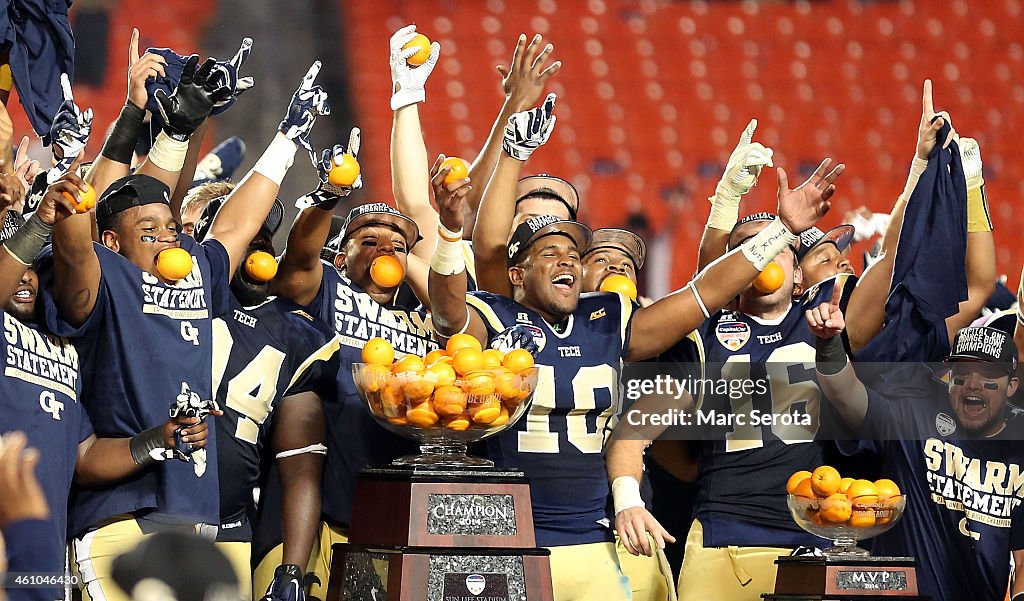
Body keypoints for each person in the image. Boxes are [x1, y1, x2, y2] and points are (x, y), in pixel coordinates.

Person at [428, 132, 842, 600]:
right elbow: (448, 313)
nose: (566, 259)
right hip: (505, 539)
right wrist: (447, 231)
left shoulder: (609, 319)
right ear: (518, 275)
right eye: (550, 252)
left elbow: (702, 296)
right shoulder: (495, 314)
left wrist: (780, 231)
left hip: (592, 538)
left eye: (572, 252)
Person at [34, 60, 329, 601]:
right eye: (149, 232)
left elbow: (237, 226)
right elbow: (76, 242)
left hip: (197, 514)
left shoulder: (195, 268)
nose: (167, 238)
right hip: (121, 516)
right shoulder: (105, 278)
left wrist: (286, 140)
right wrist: (70, 175)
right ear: (115, 245)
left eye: (171, 228)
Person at [0, 179, 212, 601]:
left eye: (33, 265)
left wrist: (157, 439)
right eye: (14, 260)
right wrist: (42, 218)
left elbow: (85, 455)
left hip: (44, 559)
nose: (26, 275)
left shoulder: (61, 348)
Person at [255, 138, 438, 600]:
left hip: (392, 522)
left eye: (399, 245)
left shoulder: (425, 324)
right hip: (311, 520)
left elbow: (458, 310)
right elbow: (298, 259)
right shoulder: (327, 287)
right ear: (340, 257)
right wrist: (329, 194)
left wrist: (424, 256)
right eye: (369, 240)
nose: (386, 250)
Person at [810, 293, 1024, 601]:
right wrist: (829, 344)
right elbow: (846, 395)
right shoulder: (914, 416)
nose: (973, 385)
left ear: (1011, 387)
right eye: (962, 374)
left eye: (989, 375)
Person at [190, 183, 340, 597]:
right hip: (144, 513)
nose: (258, 248)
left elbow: (301, 461)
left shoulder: (296, 333)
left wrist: (291, 570)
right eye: (246, 235)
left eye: (264, 239)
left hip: (231, 526)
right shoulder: (173, 296)